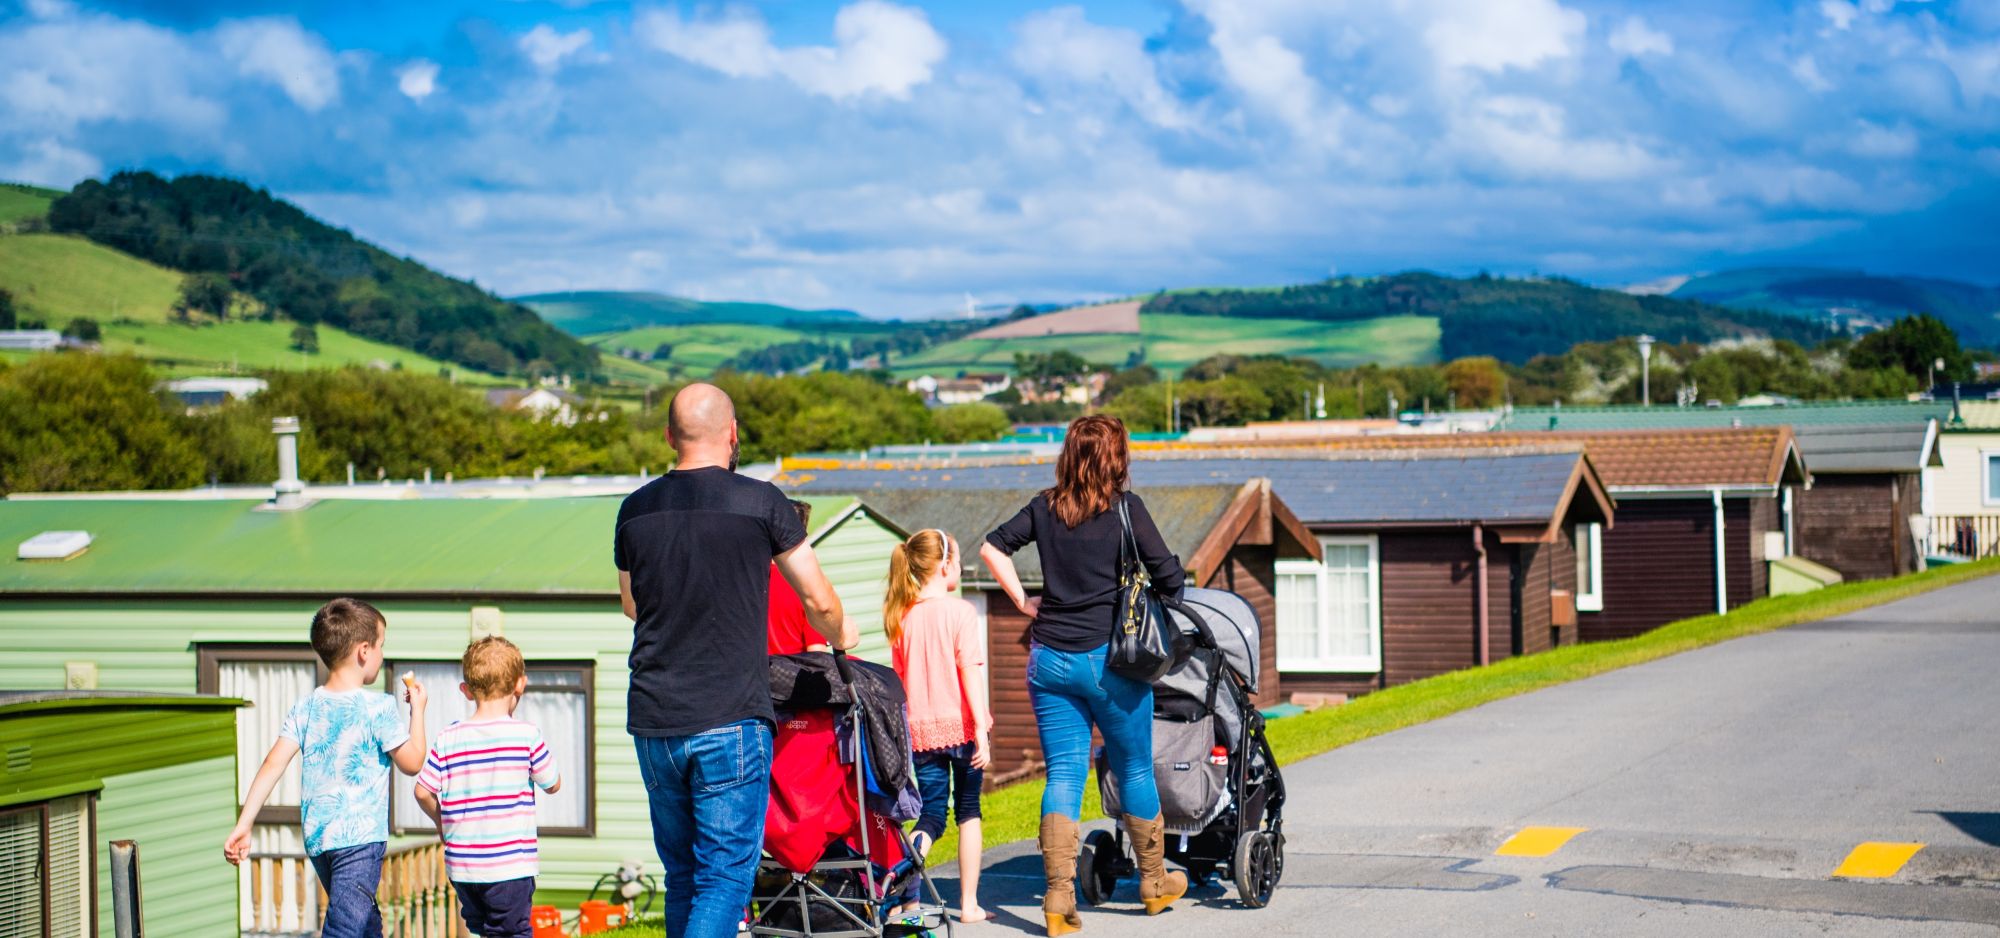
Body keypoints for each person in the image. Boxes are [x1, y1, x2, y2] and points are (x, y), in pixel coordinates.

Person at [616, 382, 859, 938]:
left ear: (668, 436)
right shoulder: (761, 501)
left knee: (683, 876)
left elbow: (632, 605)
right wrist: (842, 632)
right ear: (732, 434)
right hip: (730, 715)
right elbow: (817, 600)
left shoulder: (634, 511)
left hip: (654, 719)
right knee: (725, 878)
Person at [980, 414, 1188, 937]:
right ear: (1117, 458)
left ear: (1070, 455)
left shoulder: (1043, 507)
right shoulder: (1125, 510)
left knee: (1064, 776)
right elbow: (1168, 576)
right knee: (1136, 768)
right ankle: (1154, 883)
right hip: (1108, 664)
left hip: (1048, 659)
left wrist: (1023, 602)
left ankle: (1057, 901)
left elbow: (991, 548)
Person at [223, 598, 430, 938]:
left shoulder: (306, 707)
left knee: (363, 922)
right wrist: (418, 711)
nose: (381, 655)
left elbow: (273, 763)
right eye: (381, 646)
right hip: (359, 840)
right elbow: (413, 762)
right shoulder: (379, 707)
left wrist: (245, 823)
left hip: (320, 839)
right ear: (364, 651)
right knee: (346, 928)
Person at [413, 637, 562, 938]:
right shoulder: (525, 735)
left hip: (464, 869)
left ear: (466, 691)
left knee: (484, 930)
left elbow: (422, 791)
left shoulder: (448, 738)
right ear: (521, 684)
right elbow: (553, 784)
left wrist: (441, 822)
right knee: (512, 932)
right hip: (508, 867)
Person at [883, 529, 993, 924]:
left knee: (931, 816)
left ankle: (903, 878)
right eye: (959, 561)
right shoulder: (960, 612)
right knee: (968, 811)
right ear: (944, 565)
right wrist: (981, 727)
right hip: (962, 728)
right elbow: (970, 673)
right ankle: (968, 904)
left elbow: (898, 680)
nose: (961, 568)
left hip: (921, 732)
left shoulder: (903, 617)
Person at [768, 500, 831, 656]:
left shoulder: (749, 577)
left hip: (754, 675)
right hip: (792, 676)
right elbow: (817, 654)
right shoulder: (808, 583)